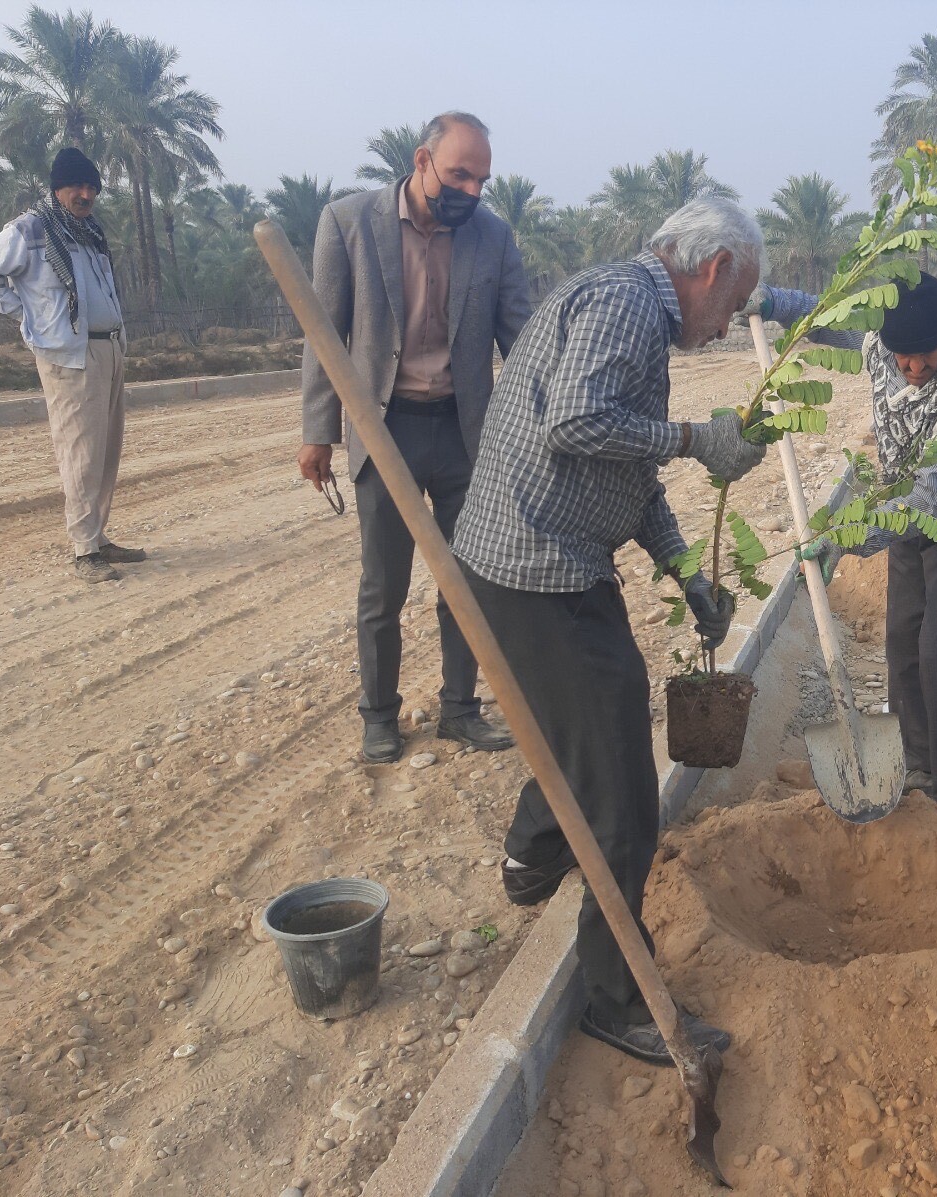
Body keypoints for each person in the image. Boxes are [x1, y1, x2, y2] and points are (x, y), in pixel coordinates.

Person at [449, 197, 766, 1065]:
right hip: (535, 566)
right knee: (624, 776)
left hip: (539, 558)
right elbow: (574, 422)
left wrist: (684, 571)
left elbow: (623, 469)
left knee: (587, 725)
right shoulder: (629, 306)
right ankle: (618, 999)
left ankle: (531, 855)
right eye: (734, 306)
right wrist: (695, 437)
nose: (729, 324)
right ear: (714, 268)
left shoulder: (629, 305)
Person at [298, 111, 531, 765]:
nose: (473, 192)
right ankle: (379, 715)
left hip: (465, 431)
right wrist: (318, 433)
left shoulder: (492, 236)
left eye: (482, 179)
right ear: (422, 162)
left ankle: (460, 708)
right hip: (385, 427)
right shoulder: (348, 224)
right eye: (460, 174)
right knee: (383, 585)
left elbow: (524, 339)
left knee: (468, 577)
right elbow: (325, 336)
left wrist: (551, 417)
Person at [747, 273, 937, 815]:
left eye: (927, 356)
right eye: (904, 358)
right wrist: (774, 301)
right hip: (900, 503)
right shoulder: (881, 341)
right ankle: (917, 761)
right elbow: (834, 318)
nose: (915, 368)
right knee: (902, 642)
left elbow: (930, 505)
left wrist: (846, 537)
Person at [0, 148, 144, 583]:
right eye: (76, 187)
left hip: (107, 349)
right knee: (80, 452)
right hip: (68, 355)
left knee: (105, 451)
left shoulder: (89, 232)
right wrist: (26, 315)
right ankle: (84, 550)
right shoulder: (31, 229)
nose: (85, 194)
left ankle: (98, 537)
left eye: (92, 187)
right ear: (57, 188)